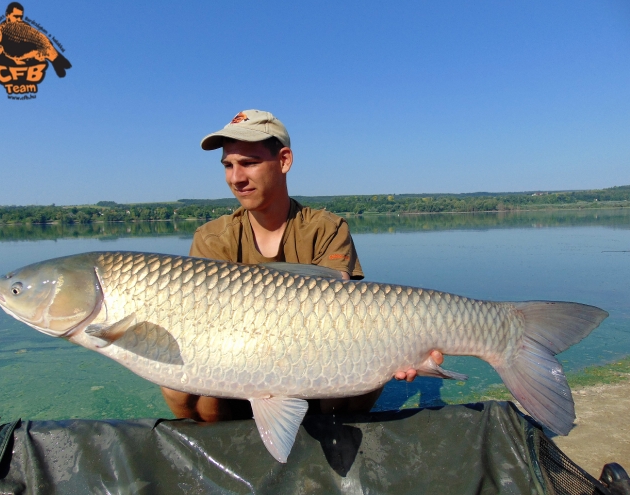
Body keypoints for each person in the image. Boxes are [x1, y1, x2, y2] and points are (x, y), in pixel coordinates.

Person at [161, 109, 443, 422]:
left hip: (316, 366)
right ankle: (232, 451)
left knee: (365, 374)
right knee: (179, 387)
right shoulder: (212, 237)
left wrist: (400, 348)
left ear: (284, 161)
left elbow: (341, 318)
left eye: (249, 163)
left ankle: (325, 439)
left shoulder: (326, 229)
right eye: (228, 165)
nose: (236, 178)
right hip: (236, 370)